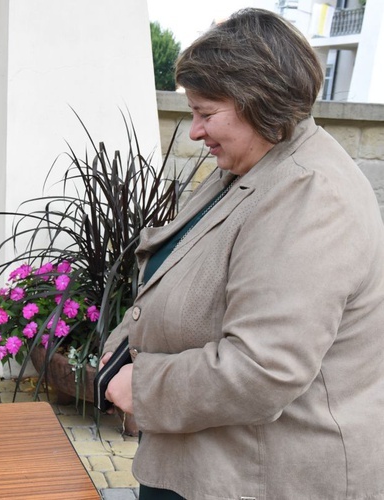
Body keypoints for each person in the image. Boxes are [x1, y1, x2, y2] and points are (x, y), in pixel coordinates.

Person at [100, 9, 384, 500]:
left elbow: (263, 368)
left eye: (205, 114)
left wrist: (142, 387)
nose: (194, 131)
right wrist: (125, 343)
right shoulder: (255, 163)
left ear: (258, 102)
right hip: (211, 466)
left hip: (262, 480)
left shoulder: (309, 195)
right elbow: (184, 265)